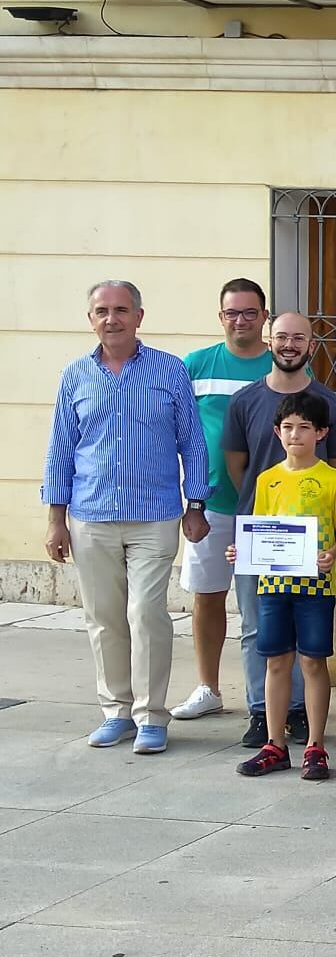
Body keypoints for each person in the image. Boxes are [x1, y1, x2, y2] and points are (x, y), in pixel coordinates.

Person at [43, 280, 210, 754]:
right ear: (90, 318)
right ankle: (116, 711)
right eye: (102, 310)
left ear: (140, 316)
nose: (111, 318)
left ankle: (151, 716)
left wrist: (195, 504)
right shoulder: (75, 375)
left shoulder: (169, 370)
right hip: (90, 514)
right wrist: (56, 519)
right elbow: (60, 451)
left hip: (154, 514)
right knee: (103, 618)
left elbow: (192, 443)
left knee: (145, 613)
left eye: (121, 309)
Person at [222, 312, 336, 745]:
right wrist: (254, 544)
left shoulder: (328, 403)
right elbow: (236, 466)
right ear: (269, 338)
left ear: (309, 345)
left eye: (298, 337)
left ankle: (301, 720)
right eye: (281, 336)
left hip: (315, 573)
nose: (288, 344)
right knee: (260, 637)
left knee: (311, 654)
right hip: (266, 553)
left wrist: (331, 549)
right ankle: (264, 717)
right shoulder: (246, 400)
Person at [170, 278, 295, 744]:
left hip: (269, 508)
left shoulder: (280, 362)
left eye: (249, 312)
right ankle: (208, 687)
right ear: (220, 317)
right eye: (231, 313)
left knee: (264, 607)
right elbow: (181, 431)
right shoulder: (196, 365)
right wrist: (191, 498)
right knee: (207, 595)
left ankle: (270, 701)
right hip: (212, 503)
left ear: (265, 315)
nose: (241, 320)